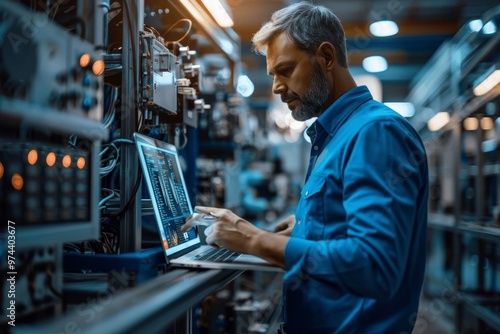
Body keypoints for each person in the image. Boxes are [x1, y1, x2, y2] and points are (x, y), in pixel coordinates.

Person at [182, 2, 429, 333]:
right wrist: (311, 227)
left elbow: (375, 265)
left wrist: (254, 239)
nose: (275, 87)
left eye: (285, 70)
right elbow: (353, 232)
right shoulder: (335, 135)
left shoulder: (374, 133)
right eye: (272, 75)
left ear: (326, 57)